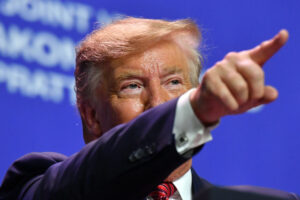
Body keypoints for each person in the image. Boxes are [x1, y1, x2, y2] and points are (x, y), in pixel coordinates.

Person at [0, 17, 298, 200]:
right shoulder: (43, 188)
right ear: (91, 116)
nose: (157, 103)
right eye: (132, 86)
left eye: (174, 82)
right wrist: (192, 110)